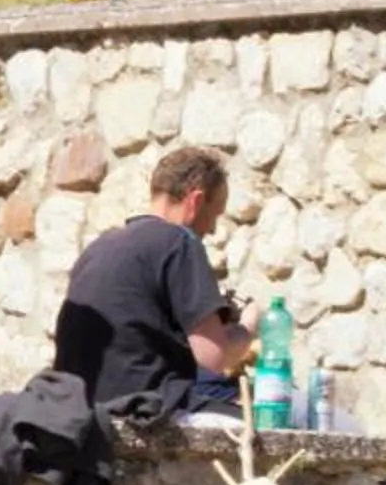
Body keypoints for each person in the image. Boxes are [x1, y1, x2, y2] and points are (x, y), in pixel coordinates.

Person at [51, 146, 254, 409]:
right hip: (145, 410)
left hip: (80, 410)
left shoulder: (99, 246)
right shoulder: (180, 242)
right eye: (214, 214)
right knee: (272, 427)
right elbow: (215, 357)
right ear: (195, 201)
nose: (213, 229)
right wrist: (249, 326)